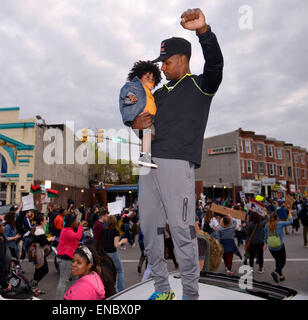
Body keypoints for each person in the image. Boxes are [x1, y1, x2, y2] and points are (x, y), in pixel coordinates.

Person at [134, 8, 223, 300]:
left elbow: (216, 67)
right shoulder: (157, 95)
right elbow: (145, 130)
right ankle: (162, 290)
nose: (162, 67)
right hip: (148, 165)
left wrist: (203, 32)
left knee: (183, 233)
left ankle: (190, 294)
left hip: (177, 164)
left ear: (183, 60)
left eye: (167, 61)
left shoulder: (200, 85)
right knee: (150, 229)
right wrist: (138, 125)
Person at [119, 60, 162, 168]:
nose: (150, 80)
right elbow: (125, 92)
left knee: (150, 135)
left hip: (150, 118)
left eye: (153, 79)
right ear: (138, 77)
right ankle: (144, 156)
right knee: (148, 133)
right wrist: (130, 97)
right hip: (141, 116)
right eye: (147, 77)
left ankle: (145, 155)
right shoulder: (135, 86)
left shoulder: (150, 93)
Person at [55, 213, 87, 299]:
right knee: (63, 281)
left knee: (75, 279)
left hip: (70, 258)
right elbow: (77, 237)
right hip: (65, 258)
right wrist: (80, 226)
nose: (77, 222)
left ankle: (73, 297)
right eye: (76, 221)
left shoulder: (69, 230)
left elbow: (74, 240)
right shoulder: (67, 231)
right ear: (72, 223)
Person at [30, 212, 55, 296]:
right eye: (45, 220)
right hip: (39, 254)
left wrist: (48, 238)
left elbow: (40, 241)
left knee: (38, 271)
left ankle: (34, 288)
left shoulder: (37, 229)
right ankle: (32, 286)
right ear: (41, 222)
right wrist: (50, 239)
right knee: (44, 270)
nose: (46, 221)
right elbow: (43, 243)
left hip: (37, 253)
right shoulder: (40, 231)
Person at [265, 212, 293, 283]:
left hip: (271, 247)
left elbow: (265, 237)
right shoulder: (280, 223)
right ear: (276, 218)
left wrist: (265, 244)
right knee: (283, 261)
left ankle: (281, 276)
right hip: (279, 245)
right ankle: (275, 272)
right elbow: (290, 222)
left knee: (278, 260)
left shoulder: (266, 225)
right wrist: (290, 214)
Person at [103, 215, 128, 293]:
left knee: (110, 272)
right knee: (120, 270)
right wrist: (122, 241)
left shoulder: (105, 230)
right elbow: (116, 245)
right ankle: (120, 289)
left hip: (105, 253)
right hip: (113, 253)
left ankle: (112, 289)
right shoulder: (115, 231)